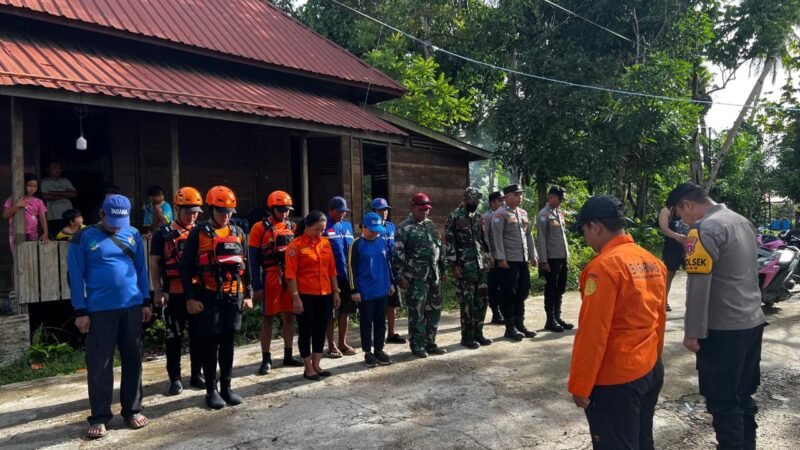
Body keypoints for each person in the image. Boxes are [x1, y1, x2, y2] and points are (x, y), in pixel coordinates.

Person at [667, 183, 766, 450]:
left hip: (722, 330)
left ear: (688, 205)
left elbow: (698, 285)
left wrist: (692, 332)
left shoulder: (702, 229)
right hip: (752, 322)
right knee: (743, 395)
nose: (682, 221)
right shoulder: (742, 222)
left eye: (680, 214)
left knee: (723, 402)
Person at [567, 195, 667, 450]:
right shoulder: (652, 261)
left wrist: (580, 384)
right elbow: (660, 319)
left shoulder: (603, 267)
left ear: (596, 226)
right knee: (642, 440)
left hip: (617, 377)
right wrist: (656, 358)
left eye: (584, 230)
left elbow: (594, 332)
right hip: (649, 368)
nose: (585, 237)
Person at [67, 194, 151, 439]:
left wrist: (145, 300)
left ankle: (132, 410)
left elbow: (141, 269)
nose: (116, 225)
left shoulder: (133, 234)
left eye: (121, 220)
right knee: (100, 364)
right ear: (101, 214)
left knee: (133, 359)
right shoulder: (82, 237)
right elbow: (75, 275)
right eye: (112, 219)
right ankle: (100, 415)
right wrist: (80, 310)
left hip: (132, 307)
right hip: (99, 310)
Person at [180, 186, 253, 409]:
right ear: (211, 209)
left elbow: (246, 265)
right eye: (222, 212)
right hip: (209, 295)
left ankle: (227, 388)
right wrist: (190, 298)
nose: (226, 216)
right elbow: (185, 268)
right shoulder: (198, 233)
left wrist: (248, 293)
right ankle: (211, 390)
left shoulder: (238, 232)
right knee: (210, 343)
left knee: (229, 342)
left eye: (230, 212)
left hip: (233, 296)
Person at [149, 187, 205, 395]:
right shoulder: (162, 234)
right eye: (189, 211)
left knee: (198, 335)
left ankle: (197, 374)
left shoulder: (200, 231)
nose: (193, 216)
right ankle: (175, 378)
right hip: (173, 292)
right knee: (174, 336)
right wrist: (157, 290)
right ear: (178, 209)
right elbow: (155, 263)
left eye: (196, 211)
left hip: (197, 291)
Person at [248, 190, 304, 375]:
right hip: (270, 276)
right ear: (271, 209)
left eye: (287, 210)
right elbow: (253, 260)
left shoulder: (292, 227)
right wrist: (256, 286)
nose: (284, 213)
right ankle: (266, 358)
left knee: (289, 316)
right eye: (281, 210)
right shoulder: (259, 228)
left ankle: (288, 354)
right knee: (268, 318)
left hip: (288, 277)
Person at [285, 211, 342, 380]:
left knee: (320, 328)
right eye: (317, 229)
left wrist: (336, 291)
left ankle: (317, 364)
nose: (320, 232)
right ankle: (308, 367)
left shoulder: (325, 243)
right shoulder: (295, 246)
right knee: (306, 331)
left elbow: (332, 270)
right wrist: (295, 297)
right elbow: (290, 275)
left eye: (323, 229)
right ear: (307, 227)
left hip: (324, 294)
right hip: (305, 295)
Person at [394, 192, 447, 358]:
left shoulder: (431, 226)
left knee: (434, 310)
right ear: (413, 208)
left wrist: (443, 269)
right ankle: (417, 345)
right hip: (415, 277)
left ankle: (430, 342)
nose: (425, 212)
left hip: (433, 275)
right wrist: (400, 277)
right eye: (421, 209)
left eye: (427, 210)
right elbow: (397, 254)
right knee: (417, 312)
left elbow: (439, 249)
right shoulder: (404, 228)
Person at [445, 187, 493, 349]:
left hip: (480, 264)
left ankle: (479, 333)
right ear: (466, 199)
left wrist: (488, 256)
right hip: (465, 266)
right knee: (467, 302)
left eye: (478, 201)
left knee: (482, 300)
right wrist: (454, 264)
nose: (476, 203)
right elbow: (450, 242)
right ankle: (467, 336)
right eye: (473, 200)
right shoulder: (454, 217)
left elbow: (482, 239)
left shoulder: (478, 216)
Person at [490, 184, 538, 341]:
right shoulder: (500, 214)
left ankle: (520, 324)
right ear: (507, 197)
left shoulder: (523, 213)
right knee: (508, 293)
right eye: (516, 195)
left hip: (522, 258)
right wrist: (501, 258)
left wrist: (533, 254)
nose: (520, 197)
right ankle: (510, 327)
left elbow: (529, 235)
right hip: (508, 260)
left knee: (523, 291)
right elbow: (496, 237)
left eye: (520, 195)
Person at [349, 212, 395, 367]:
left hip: (382, 288)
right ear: (364, 227)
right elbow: (351, 269)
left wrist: (391, 283)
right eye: (372, 228)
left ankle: (379, 350)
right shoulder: (356, 244)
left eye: (377, 229)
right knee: (366, 322)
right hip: (365, 292)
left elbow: (388, 264)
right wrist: (354, 290)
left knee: (381, 322)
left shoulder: (382, 242)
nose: (375, 231)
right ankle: (368, 352)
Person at [536, 186, 573, 332]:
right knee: (551, 288)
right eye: (559, 199)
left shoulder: (559, 213)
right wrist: (543, 261)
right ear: (551, 197)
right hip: (551, 258)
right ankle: (550, 319)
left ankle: (558, 317)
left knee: (561, 287)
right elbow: (542, 239)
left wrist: (566, 256)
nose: (561, 202)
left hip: (561, 257)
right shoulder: (543, 215)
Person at [324, 196, 356, 357]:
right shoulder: (324, 226)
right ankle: (331, 345)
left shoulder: (348, 226)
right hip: (330, 277)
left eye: (345, 212)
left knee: (345, 311)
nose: (343, 214)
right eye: (340, 212)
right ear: (331, 210)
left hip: (347, 276)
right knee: (330, 313)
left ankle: (343, 342)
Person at [372, 198, 406, 345]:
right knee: (378, 304)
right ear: (374, 211)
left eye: (385, 209)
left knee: (392, 304)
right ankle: (378, 334)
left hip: (392, 270)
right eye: (380, 210)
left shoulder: (392, 227)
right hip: (378, 271)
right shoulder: (371, 227)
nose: (384, 212)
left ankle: (391, 333)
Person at [3, 173, 49, 250]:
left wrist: (45, 232)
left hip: (32, 233)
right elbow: (5, 215)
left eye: (35, 186)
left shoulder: (38, 201)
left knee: (31, 255)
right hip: (15, 233)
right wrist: (16, 206)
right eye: (30, 185)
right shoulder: (13, 199)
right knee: (18, 256)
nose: (32, 189)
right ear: (23, 185)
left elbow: (42, 218)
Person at [657, 201, 689, 311]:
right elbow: (664, 228)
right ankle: (664, 301)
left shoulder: (690, 208)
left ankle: (692, 302)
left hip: (689, 246)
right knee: (669, 274)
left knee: (693, 274)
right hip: (672, 247)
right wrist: (676, 236)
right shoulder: (666, 211)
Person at [482, 191, 505, 324]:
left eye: (503, 200)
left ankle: (502, 310)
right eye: (499, 200)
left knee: (503, 285)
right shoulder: (486, 217)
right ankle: (496, 312)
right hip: (493, 257)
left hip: (503, 257)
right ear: (492, 202)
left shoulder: (504, 215)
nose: (502, 203)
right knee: (494, 286)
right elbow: (485, 239)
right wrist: (489, 256)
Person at [40, 160, 77, 234]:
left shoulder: (65, 181)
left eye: (60, 168)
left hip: (68, 214)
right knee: (56, 235)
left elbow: (74, 194)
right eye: (54, 167)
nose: (58, 170)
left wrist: (55, 193)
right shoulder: (44, 182)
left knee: (69, 235)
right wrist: (65, 194)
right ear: (48, 170)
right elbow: (45, 196)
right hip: (53, 215)